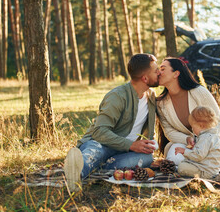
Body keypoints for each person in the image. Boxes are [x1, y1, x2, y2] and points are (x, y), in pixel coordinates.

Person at [64, 54, 160, 192]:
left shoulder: (151, 96)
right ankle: (76, 175)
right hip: (103, 143)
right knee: (94, 152)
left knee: (146, 158)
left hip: (126, 151)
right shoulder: (117, 96)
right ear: (145, 78)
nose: (159, 72)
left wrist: (147, 144)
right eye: (156, 70)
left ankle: (102, 168)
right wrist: (131, 145)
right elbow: (99, 132)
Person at [156, 57, 220, 166]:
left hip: (208, 141)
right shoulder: (160, 103)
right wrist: (188, 139)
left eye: (163, 69)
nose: (158, 72)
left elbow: (218, 121)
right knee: (174, 161)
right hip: (183, 143)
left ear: (176, 73)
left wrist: (203, 141)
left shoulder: (198, 92)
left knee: (204, 159)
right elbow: (169, 131)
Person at [174, 106, 220, 179]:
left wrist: (184, 151)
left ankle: (208, 177)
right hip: (212, 168)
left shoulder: (205, 138)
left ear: (201, 126)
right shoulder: (213, 136)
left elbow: (198, 156)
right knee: (185, 163)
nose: (192, 130)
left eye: (193, 127)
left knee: (182, 167)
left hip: (206, 172)